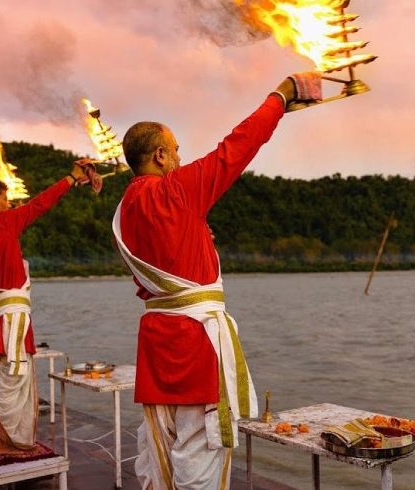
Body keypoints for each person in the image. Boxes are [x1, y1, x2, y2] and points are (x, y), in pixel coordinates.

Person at [113, 74, 317, 489]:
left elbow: (167, 258)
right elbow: (238, 146)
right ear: (159, 155)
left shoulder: (124, 209)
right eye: (175, 150)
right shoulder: (177, 191)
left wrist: (199, 236)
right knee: (202, 449)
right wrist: (280, 96)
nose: (180, 157)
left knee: (159, 446)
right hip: (195, 343)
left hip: (155, 341)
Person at [0, 161, 89, 455]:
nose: (10, 204)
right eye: (6, 199)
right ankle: (10, 442)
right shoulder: (2, 223)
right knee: (14, 378)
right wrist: (71, 177)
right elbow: (40, 204)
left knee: (2, 376)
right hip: (11, 317)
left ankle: (1, 438)